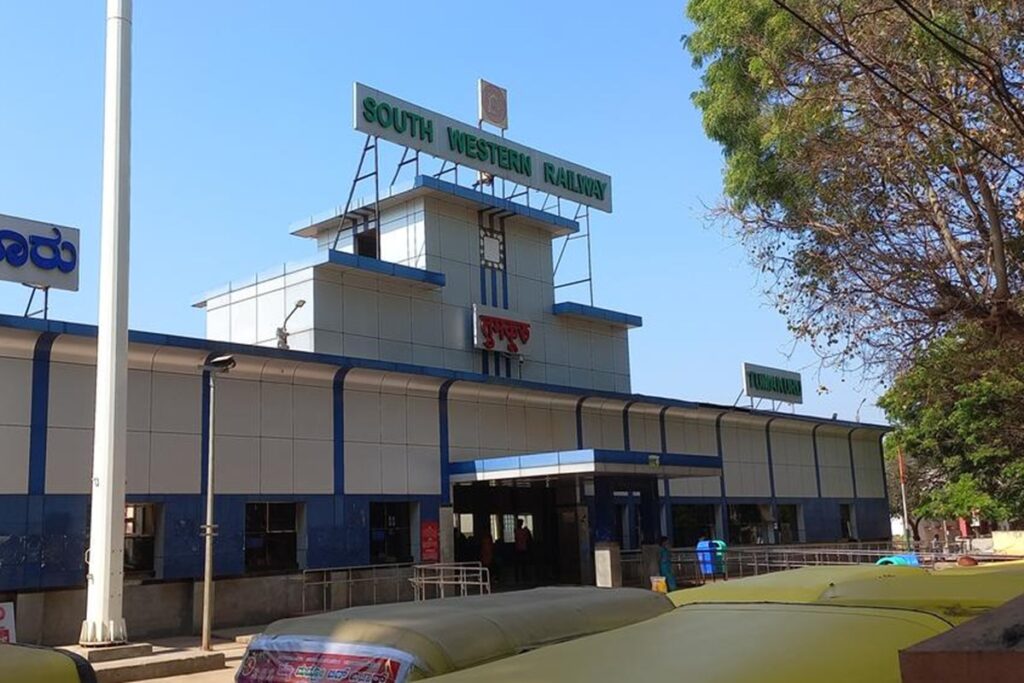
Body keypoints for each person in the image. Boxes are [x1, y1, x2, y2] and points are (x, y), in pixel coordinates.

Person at [514, 518, 532, 583]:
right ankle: (520, 577)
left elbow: (528, 538)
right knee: (520, 564)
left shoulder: (519, 530)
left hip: (522, 549)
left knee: (523, 564)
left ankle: (522, 577)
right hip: (520, 549)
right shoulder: (521, 531)